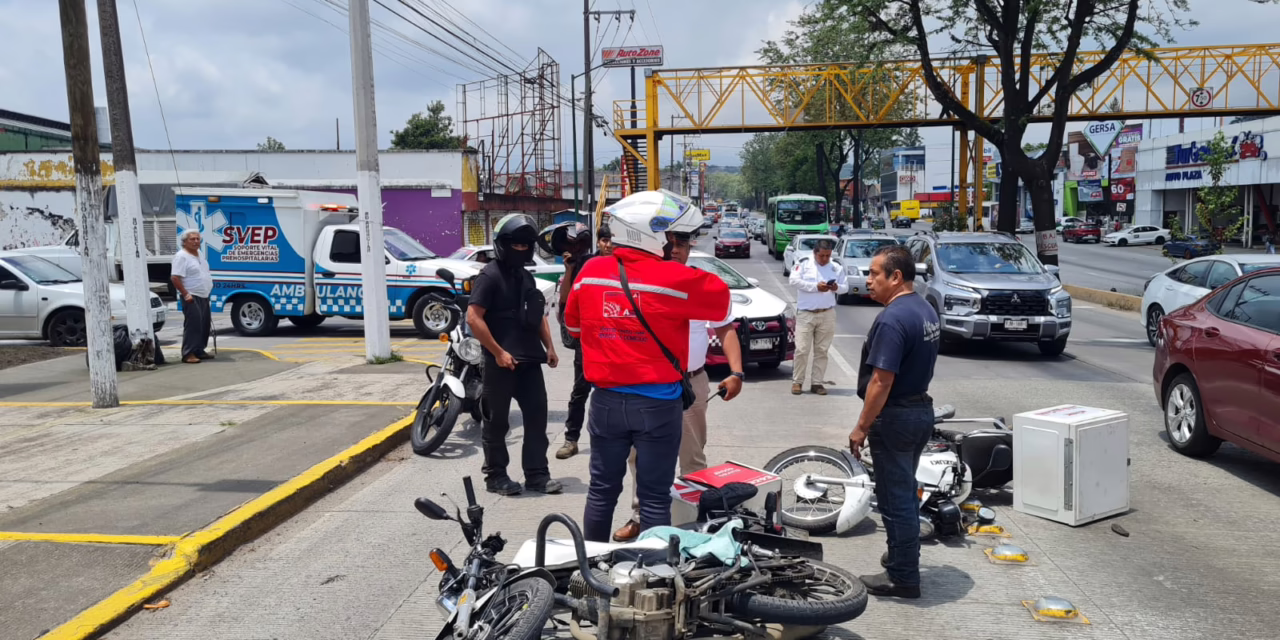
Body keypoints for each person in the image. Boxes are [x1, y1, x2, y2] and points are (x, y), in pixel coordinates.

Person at [565, 190, 732, 543]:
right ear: (653, 235)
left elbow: (574, 328)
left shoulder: (591, 272)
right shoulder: (675, 278)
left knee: (601, 491)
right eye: (676, 236)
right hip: (658, 405)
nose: (679, 244)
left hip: (606, 402)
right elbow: (720, 301)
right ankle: (651, 575)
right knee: (655, 496)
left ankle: (590, 570)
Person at [612, 229, 745, 541]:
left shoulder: (698, 285)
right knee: (640, 456)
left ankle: (694, 522)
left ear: (689, 248)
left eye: (681, 244)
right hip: (646, 384)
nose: (674, 250)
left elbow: (725, 329)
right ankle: (641, 518)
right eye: (669, 244)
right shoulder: (642, 283)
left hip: (689, 384)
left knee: (692, 456)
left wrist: (736, 372)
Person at [847, 245, 940, 599]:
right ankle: (902, 556)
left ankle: (903, 577)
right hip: (919, 411)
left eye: (874, 274)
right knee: (904, 493)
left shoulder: (892, 318)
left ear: (896, 277)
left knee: (895, 500)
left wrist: (861, 427)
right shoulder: (924, 308)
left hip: (897, 417)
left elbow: (881, 381)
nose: (868, 280)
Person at [467, 214, 562, 496]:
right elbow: (474, 318)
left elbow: (537, 315)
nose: (521, 250)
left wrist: (550, 347)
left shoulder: (525, 277)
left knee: (536, 419)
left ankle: (536, 475)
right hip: (500, 363)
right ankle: (496, 477)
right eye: (515, 245)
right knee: (496, 422)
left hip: (530, 361)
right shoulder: (489, 276)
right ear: (502, 244)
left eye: (525, 245)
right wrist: (497, 353)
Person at [556, 224, 614, 459]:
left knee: (613, 391)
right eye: (604, 240)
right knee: (580, 390)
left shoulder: (624, 264)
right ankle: (571, 439)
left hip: (616, 338)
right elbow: (565, 301)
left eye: (612, 239)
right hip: (589, 339)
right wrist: (569, 270)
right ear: (598, 242)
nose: (608, 244)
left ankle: (613, 441)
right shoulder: (584, 263)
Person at [788, 238, 847, 395]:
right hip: (806, 314)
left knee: (822, 350)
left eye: (828, 255)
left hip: (827, 313)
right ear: (815, 253)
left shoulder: (835, 267)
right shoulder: (804, 263)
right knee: (801, 349)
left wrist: (836, 287)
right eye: (822, 255)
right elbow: (793, 280)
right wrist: (815, 287)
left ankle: (817, 383)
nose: (825, 259)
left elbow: (845, 287)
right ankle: (797, 382)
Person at [170, 230, 213, 364]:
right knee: (193, 324)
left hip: (203, 294)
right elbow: (175, 278)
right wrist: (185, 294)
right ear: (184, 242)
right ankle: (188, 353)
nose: (195, 242)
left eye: (197, 239)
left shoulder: (199, 254)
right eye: (192, 239)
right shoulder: (181, 256)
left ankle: (199, 349)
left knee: (204, 324)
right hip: (191, 295)